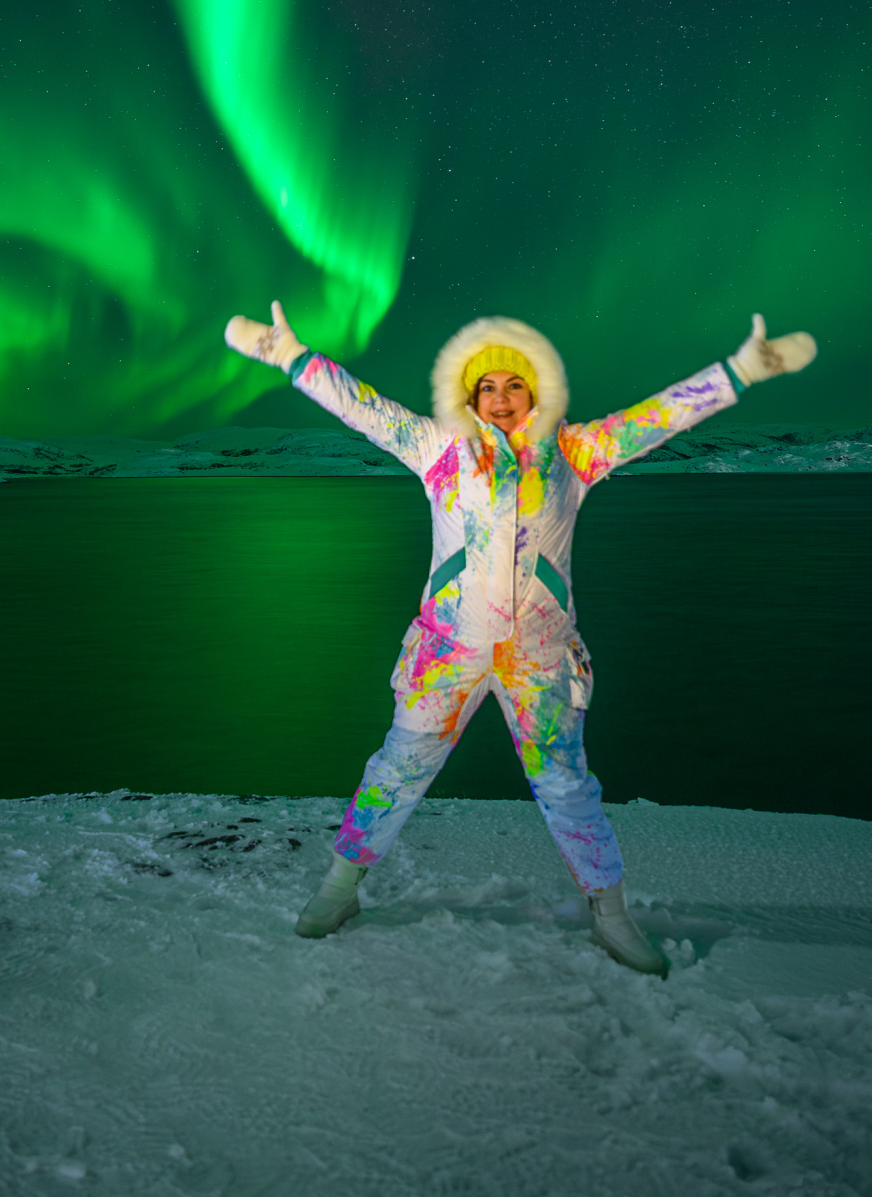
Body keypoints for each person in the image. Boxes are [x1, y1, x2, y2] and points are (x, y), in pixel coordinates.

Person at [224, 303, 817, 974]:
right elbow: (359, 405)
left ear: (534, 392)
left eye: (512, 385)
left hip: (538, 656)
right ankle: (339, 889)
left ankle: (610, 916)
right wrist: (291, 358)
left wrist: (740, 369)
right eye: (486, 386)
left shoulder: (573, 453)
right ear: (468, 395)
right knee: (397, 770)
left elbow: (661, 415)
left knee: (566, 787)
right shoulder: (436, 448)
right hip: (446, 652)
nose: (500, 398)